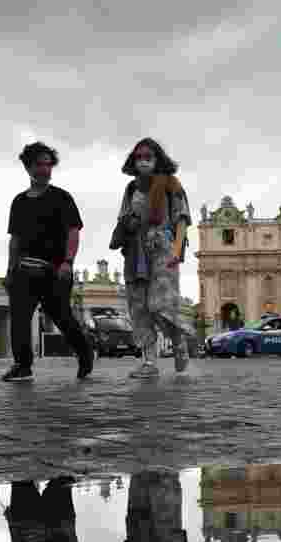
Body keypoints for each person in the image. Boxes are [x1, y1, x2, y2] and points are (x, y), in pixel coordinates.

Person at [2, 141, 93, 382]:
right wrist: (10, 270)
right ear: (28, 167)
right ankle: (22, 365)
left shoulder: (62, 198)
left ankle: (84, 352)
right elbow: (15, 239)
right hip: (24, 270)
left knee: (62, 317)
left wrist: (68, 262)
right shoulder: (19, 202)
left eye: (48, 164)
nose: (44, 169)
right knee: (19, 317)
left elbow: (73, 232)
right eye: (39, 164)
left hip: (55, 270)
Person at [112, 138, 192, 378]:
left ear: (158, 159)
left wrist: (177, 250)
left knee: (160, 304)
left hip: (163, 248)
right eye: (139, 157)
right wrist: (129, 224)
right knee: (139, 307)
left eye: (148, 157)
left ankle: (178, 341)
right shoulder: (131, 189)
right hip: (136, 250)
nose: (143, 161)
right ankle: (149, 362)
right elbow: (123, 217)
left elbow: (182, 218)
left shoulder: (171, 184)